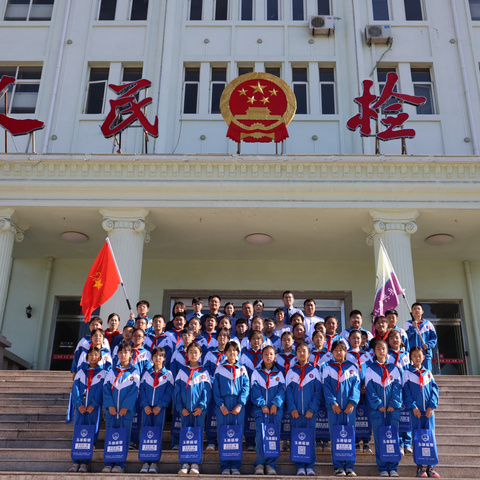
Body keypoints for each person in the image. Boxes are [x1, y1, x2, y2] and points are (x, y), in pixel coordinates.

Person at [365, 340, 403, 478]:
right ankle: (382, 468)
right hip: (377, 411)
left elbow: (398, 387)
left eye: (384, 348)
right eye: (378, 348)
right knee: (380, 439)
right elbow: (370, 389)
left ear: (387, 350)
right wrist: (378, 404)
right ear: (374, 351)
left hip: (393, 411)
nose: (381, 351)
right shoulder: (370, 369)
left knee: (393, 438)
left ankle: (393, 467)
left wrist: (394, 403)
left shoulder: (394, 368)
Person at [323, 340, 360, 477]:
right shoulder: (328, 368)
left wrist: (352, 402)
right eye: (336, 350)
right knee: (336, 435)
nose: (339, 352)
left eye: (341, 350)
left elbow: (356, 387)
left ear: (346, 351)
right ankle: (338, 466)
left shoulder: (352, 367)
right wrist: (333, 403)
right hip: (334, 409)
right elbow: (326, 387)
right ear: (332, 352)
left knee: (349, 435)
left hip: (350, 409)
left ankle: (350, 466)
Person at [174, 342, 212, 476]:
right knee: (185, 436)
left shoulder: (204, 372)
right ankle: (184, 463)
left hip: (199, 411)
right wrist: (180, 407)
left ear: (201, 354)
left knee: (197, 435)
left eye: (196, 352)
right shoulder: (182, 371)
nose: (193, 354)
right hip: (185, 410)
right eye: (191, 352)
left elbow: (207, 391)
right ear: (187, 354)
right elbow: (177, 391)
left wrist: (202, 406)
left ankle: (196, 462)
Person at [102, 344, 140, 474]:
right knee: (110, 435)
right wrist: (110, 406)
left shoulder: (134, 371)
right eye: (121, 352)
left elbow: (134, 390)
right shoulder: (112, 371)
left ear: (131, 355)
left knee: (123, 437)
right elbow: (106, 388)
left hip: (126, 412)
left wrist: (126, 407)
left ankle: (120, 464)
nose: (123, 355)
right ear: (117, 354)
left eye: (126, 352)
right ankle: (108, 463)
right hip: (112, 411)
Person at [213, 340, 250, 475]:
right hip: (223, 404)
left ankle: (235, 465)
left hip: (237, 405)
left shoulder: (242, 369)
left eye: (234, 350)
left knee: (236, 434)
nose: (232, 353)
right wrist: (220, 404)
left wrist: (240, 404)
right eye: (229, 350)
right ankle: (224, 466)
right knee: (223, 434)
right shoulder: (220, 368)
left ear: (238, 353)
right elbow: (215, 388)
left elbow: (246, 388)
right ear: (225, 352)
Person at [403, 346, 440, 479]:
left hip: (429, 412)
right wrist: (413, 407)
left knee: (429, 437)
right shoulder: (407, 373)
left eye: (420, 356)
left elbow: (435, 390)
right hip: (416, 412)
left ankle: (431, 467)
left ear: (423, 357)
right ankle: (420, 467)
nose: (417, 358)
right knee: (418, 438)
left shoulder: (428, 373)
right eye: (414, 356)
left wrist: (431, 406)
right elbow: (406, 392)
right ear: (410, 358)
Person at [286, 342, 322, 476]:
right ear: (296, 354)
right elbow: (288, 392)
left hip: (309, 412)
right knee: (297, 437)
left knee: (310, 437)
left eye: (304, 351)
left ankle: (310, 465)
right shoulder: (291, 371)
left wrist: (312, 409)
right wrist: (292, 408)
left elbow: (318, 392)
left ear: (309, 354)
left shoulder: (314, 371)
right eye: (299, 351)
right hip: (295, 412)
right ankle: (300, 465)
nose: (302, 353)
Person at [69, 346, 106, 473]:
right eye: (91, 354)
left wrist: (94, 404)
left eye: (96, 354)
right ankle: (75, 462)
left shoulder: (102, 373)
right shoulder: (81, 372)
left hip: (93, 409)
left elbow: (101, 390)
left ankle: (85, 462)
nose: (93, 356)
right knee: (78, 432)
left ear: (100, 358)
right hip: (80, 408)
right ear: (87, 357)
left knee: (90, 432)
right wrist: (78, 403)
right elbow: (76, 388)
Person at [251, 345, 285, 475]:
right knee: (260, 436)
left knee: (273, 436)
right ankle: (259, 463)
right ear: (262, 356)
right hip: (261, 410)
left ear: (275, 356)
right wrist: (262, 405)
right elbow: (254, 390)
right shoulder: (256, 373)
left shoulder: (279, 373)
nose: (268, 356)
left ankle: (271, 464)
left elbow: (282, 390)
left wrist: (275, 403)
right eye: (266, 354)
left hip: (275, 411)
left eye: (271, 354)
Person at [139, 347, 174, 474]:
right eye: (155, 356)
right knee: (146, 433)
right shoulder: (146, 373)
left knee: (157, 435)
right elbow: (142, 390)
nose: (158, 358)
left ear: (164, 358)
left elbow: (169, 392)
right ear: (152, 358)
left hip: (160, 410)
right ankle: (145, 461)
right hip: (147, 409)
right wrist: (145, 405)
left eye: (161, 356)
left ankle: (154, 462)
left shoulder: (168, 374)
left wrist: (160, 405)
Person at [347, 329, 372, 453]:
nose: (356, 340)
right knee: (355, 414)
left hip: (365, 388)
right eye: (354, 338)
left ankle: (366, 441)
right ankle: (356, 440)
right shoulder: (346, 355)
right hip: (352, 389)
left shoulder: (367, 355)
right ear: (349, 340)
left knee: (366, 414)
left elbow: (371, 371)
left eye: (359, 338)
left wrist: (366, 386)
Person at [388, 329, 411, 456]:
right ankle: (399, 443)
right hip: (393, 390)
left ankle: (407, 442)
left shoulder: (407, 355)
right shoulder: (387, 356)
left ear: (401, 340)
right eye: (391, 338)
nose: (394, 340)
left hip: (406, 389)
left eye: (397, 337)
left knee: (407, 416)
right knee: (397, 416)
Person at [240, 329, 264, 451]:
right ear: (249, 341)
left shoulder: (265, 354)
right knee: (248, 415)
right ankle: (249, 441)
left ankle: (260, 440)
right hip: (247, 390)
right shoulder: (244, 354)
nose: (256, 341)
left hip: (260, 391)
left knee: (259, 414)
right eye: (253, 339)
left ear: (262, 340)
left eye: (258, 339)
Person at [404, 303, 438, 372]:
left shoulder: (428, 324)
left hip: (425, 354)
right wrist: (412, 328)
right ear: (412, 312)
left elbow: (434, 338)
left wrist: (428, 345)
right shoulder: (408, 324)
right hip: (413, 355)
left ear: (422, 311)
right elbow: (405, 339)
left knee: (426, 374)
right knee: (413, 375)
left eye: (418, 309)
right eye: (414, 309)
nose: (417, 310)